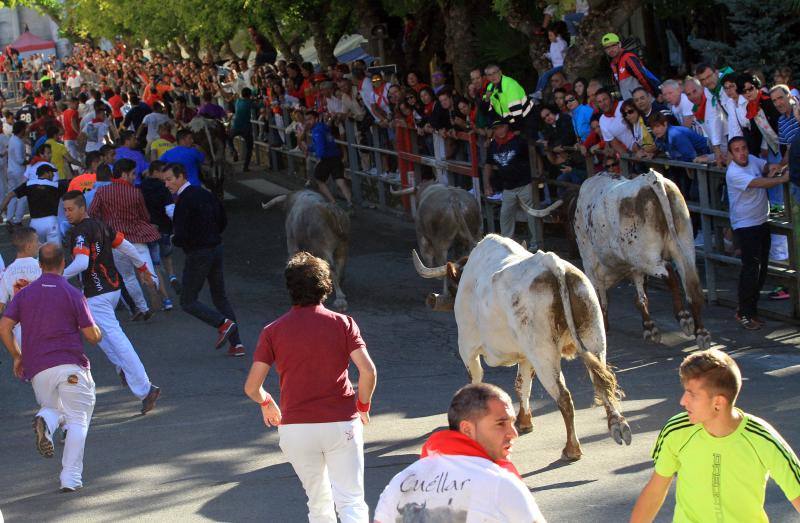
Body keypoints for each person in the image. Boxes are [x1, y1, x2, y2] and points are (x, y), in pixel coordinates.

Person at [244, 251, 377, 523]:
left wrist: (267, 402)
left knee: (318, 503)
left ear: (290, 288)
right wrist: (362, 405)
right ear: (325, 285)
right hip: (341, 423)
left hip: (295, 428)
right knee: (351, 500)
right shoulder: (344, 324)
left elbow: (252, 387)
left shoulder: (272, 331)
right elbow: (368, 371)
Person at [630, 348, 800, 522]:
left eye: (692, 394)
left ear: (718, 402)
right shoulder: (676, 430)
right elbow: (655, 491)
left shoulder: (763, 439)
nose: (682, 401)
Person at [0, 242, 102, 493]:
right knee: (78, 418)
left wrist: (16, 355)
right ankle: (70, 477)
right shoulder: (72, 293)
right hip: (70, 364)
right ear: (63, 263)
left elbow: (4, 326)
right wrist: (98, 330)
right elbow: (91, 335)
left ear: (40, 265)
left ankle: (45, 419)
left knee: (53, 407)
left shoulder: (24, 294)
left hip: (37, 369)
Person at [374, 383, 545, 522]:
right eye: (501, 424)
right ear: (467, 429)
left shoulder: (400, 482)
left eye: (512, 423)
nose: (514, 433)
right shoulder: (501, 484)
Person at [61, 190, 161, 413]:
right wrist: (141, 266)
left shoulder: (80, 232)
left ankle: (145, 388)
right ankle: (122, 369)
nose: (67, 214)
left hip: (97, 295)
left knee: (116, 339)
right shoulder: (101, 225)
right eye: (64, 209)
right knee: (96, 333)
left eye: (70, 209)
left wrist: (56, 276)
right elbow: (126, 246)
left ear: (81, 208)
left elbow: (81, 263)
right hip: (111, 291)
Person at [161, 163, 244, 356]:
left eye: (169, 179)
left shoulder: (183, 201)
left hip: (198, 253)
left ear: (181, 177)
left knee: (188, 301)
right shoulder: (205, 193)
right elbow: (222, 219)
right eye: (164, 180)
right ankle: (237, 344)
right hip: (216, 248)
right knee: (219, 296)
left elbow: (180, 234)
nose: (166, 184)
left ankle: (223, 324)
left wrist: (176, 239)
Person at [725, 137, 789, 330]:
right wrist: (781, 178)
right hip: (746, 225)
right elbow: (759, 183)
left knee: (761, 270)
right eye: (737, 150)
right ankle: (744, 312)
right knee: (751, 270)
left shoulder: (752, 160)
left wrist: (772, 167)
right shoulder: (733, 173)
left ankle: (750, 310)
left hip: (761, 221)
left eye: (744, 148)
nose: (742, 153)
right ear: (731, 154)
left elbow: (764, 165)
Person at [89, 158, 161, 320]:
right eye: (133, 174)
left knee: (128, 277)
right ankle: (150, 281)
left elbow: (92, 213)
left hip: (116, 241)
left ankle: (143, 307)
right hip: (137, 237)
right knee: (147, 269)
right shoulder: (135, 193)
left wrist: (104, 227)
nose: (135, 177)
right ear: (124, 174)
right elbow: (145, 216)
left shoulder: (102, 192)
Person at [483, 118, 538, 251]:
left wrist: (538, 175)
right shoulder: (493, 145)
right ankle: (507, 246)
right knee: (505, 216)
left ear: (506, 127)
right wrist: (487, 185)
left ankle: (536, 244)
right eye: (496, 128)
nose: (499, 130)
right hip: (507, 187)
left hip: (524, 184)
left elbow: (534, 157)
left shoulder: (518, 141)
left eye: (501, 127)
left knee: (532, 214)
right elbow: (488, 165)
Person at [0, 163, 69, 243]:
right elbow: (72, 183)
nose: (53, 175)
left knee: (37, 253)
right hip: (51, 222)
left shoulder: (29, 184)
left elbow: (10, 195)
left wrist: (0, 211)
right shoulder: (56, 185)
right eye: (51, 173)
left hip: (35, 223)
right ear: (46, 173)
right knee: (55, 252)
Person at [0, 226, 42, 346]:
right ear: (28, 246)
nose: (39, 244)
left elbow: (1, 306)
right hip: (44, 324)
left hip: (20, 330)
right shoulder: (42, 267)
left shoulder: (6, 273)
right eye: (36, 241)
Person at [306, 110, 352, 208]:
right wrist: (310, 148)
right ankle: (350, 203)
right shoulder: (325, 128)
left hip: (326, 158)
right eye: (306, 120)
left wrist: (319, 157)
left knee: (319, 179)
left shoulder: (317, 130)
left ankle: (334, 203)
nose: (307, 122)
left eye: (310, 119)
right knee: (340, 180)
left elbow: (320, 146)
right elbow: (321, 144)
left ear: (316, 119)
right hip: (336, 156)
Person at [684, 76, 727, 166]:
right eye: (688, 94)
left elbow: (724, 143)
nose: (692, 96)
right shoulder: (697, 110)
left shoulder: (713, 104)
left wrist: (709, 157)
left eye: (694, 91)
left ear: (702, 88)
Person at [601, 33, 658, 100]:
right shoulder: (613, 64)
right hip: (632, 105)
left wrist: (654, 94)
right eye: (607, 47)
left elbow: (642, 78)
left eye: (613, 46)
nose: (610, 49)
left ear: (619, 44)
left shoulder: (627, 58)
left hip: (645, 101)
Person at [484, 65, 535, 132]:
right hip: (512, 122)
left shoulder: (509, 84)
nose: (493, 76)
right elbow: (486, 109)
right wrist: (487, 98)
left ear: (500, 72)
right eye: (490, 75)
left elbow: (516, 110)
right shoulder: (490, 87)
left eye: (495, 73)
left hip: (527, 118)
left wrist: (517, 129)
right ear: (487, 77)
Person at [596, 88, 635, 157]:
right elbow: (614, 143)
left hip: (647, 145)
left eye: (605, 99)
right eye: (599, 102)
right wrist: (628, 158)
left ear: (611, 98)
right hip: (632, 153)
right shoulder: (602, 121)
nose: (603, 104)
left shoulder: (624, 105)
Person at [231, 87, 255, 171]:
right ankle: (245, 167)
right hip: (246, 128)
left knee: (228, 139)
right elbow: (257, 106)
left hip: (235, 126)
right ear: (249, 95)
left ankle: (233, 151)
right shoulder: (249, 102)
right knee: (249, 147)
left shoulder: (238, 101)